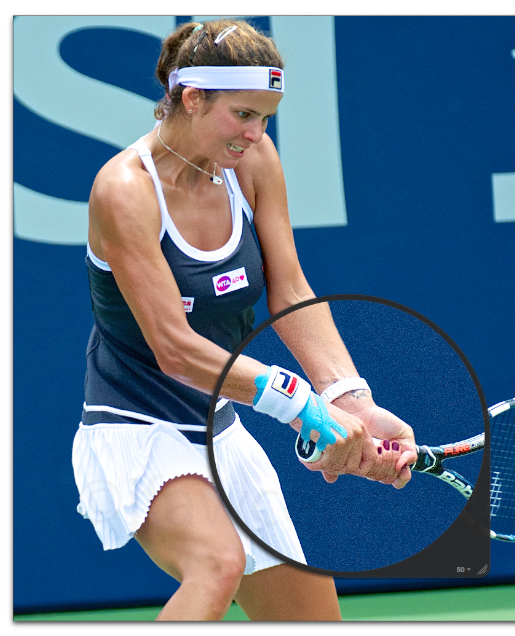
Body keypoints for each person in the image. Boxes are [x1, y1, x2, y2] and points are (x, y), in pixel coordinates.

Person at [72, 19, 417, 621]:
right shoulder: (123, 191)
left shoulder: (252, 161)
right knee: (217, 562)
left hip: (221, 430)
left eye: (266, 118)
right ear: (191, 98)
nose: (256, 134)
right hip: (135, 426)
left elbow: (290, 289)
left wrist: (349, 399)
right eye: (243, 114)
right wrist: (303, 407)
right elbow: (175, 349)